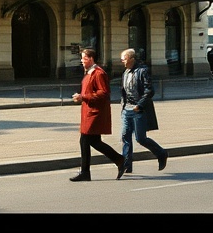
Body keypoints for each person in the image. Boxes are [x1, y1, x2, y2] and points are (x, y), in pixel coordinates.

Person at [70, 48, 126, 181]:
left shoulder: (99, 73)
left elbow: (104, 93)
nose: (81, 61)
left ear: (90, 59)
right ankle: (118, 160)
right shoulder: (90, 72)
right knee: (93, 141)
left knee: (86, 140)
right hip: (89, 112)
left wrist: (83, 97)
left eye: (83, 58)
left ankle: (86, 172)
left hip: (95, 113)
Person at [119, 48, 168, 174]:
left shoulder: (142, 71)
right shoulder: (125, 72)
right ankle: (126, 165)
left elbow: (149, 91)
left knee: (140, 138)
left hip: (138, 110)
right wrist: (123, 106)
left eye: (124, 59)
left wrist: (139, 105)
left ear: (131, 59)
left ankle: (161, 153)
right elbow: (124, 92)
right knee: (125, 137)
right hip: (127, 109)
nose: (122, 61)